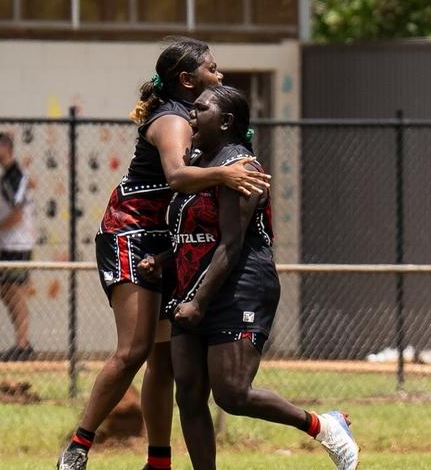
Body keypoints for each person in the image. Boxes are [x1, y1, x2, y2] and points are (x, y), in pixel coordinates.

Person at [57, 38, 271, 470]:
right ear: (187, 80)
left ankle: (158, 461)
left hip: (166, 240)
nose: (220, 75)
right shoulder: (173, 119)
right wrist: (224, 175)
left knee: (162, 358)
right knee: (134, 349)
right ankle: (78, 446)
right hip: (132, 232)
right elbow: (176, 176)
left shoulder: (201, 123)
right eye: (213, 69)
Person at [139, 86, 360, 470]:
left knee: (232, 393)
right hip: (190, 288)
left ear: (226, 121)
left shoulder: (242, 168)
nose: (191, 115)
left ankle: (324, 425)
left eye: (201, 109)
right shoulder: (198, 162)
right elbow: (193, 236)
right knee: (189, 394)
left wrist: (199, 303)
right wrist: (163, 260)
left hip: (238, 287)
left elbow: (231, 244)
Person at [0, 132, 35, 361]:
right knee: (5, 290)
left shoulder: (15, 176)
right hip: (7, 243)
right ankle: (21, 341)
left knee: (14, 291)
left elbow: (18, 214)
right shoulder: (6, 176)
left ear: (6, 148)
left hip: (18, 244)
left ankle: (22, 344)